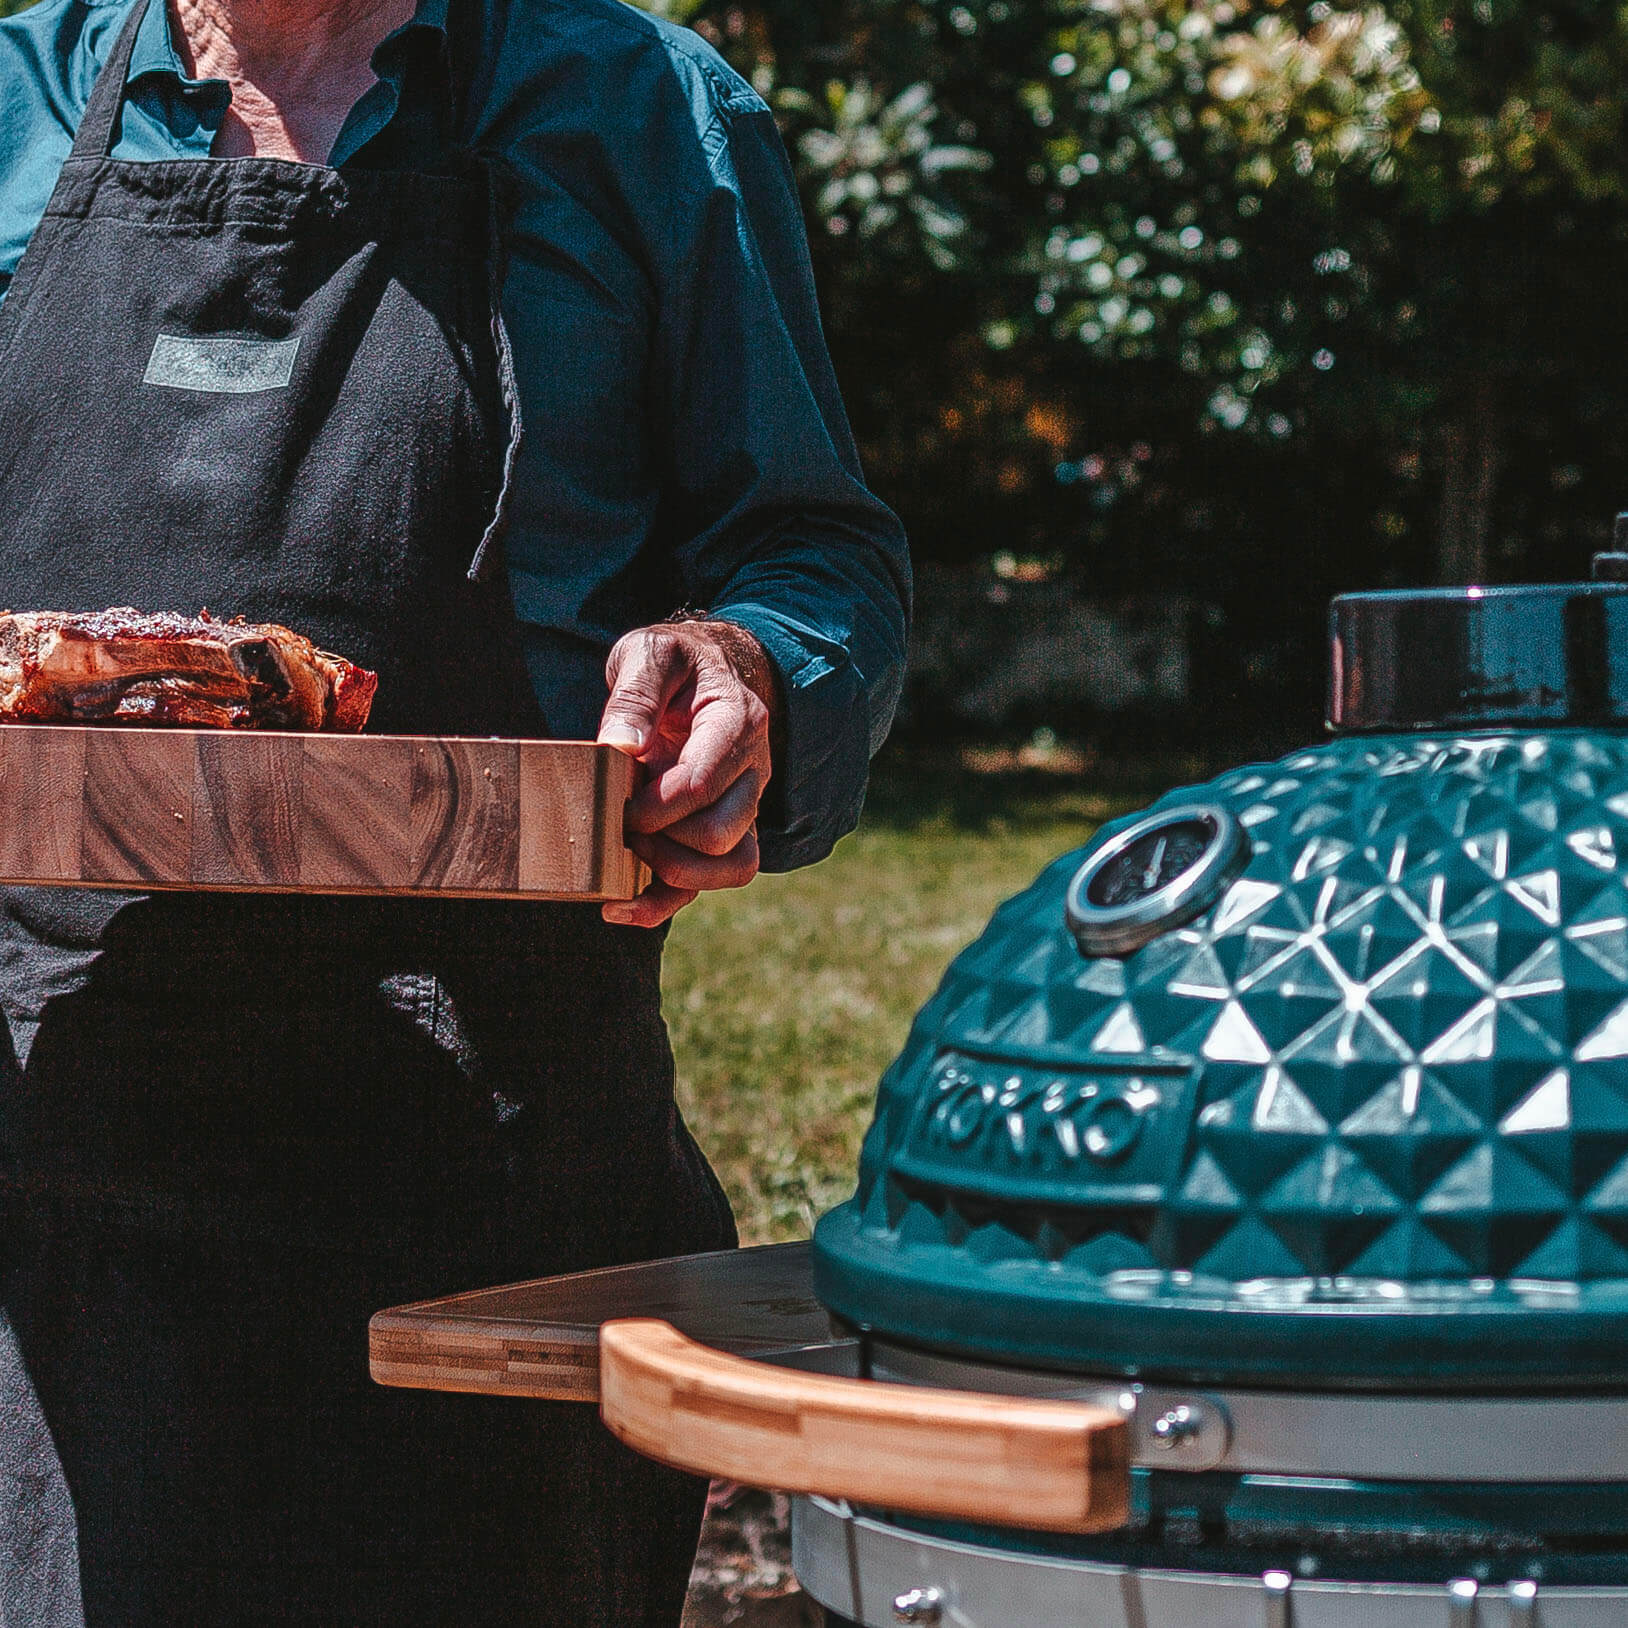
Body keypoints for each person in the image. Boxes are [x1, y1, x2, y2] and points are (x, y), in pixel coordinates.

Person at [0, 0, 910, 1620]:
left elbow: (814, 549)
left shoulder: (637, 108)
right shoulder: (10, 96)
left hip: (491, 1182)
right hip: (48, 1190)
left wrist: (759, 672)